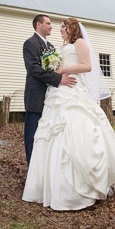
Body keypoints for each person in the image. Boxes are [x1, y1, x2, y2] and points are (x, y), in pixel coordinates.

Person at [22, 17, 115, 211]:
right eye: (52, 25)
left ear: (71, 28)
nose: (58, 29)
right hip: (58, 90)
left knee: (79, 127)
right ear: (39, 25)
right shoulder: (45, 45)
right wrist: (57, 75)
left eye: (62, 26)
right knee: (51, 133)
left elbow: (87, 66)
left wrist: (63, 69)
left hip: (73, 87)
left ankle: (84, 182)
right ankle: (49, 182)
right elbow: (37, 68)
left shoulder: (80, 43)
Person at [23, 14, 77, 165]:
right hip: (36, 97)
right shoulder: (30, 43)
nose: (51, 26)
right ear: (38, 25)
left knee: (46, 137)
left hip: (52, 98)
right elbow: (33, 69)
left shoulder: (52, 47)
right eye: (48, 23)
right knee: (32, 136)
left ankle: (45, 171)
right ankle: (32, 173)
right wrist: (59, 79)